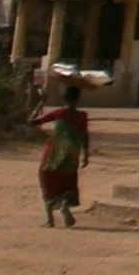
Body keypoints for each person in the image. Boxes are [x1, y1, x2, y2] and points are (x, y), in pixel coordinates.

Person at [31, 84, 90, 227]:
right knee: (67, 181)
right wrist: (86, 155)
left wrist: (39, 103)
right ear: (78, 99)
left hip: (54, 153)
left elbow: (33, 122)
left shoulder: (58, 113)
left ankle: (50, 220)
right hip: (71, 155)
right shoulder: (82, 116)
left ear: (63, 97)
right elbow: (85, 137)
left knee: (46, 180)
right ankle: (64, 204)